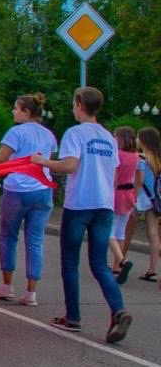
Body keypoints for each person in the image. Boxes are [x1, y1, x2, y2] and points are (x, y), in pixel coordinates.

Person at [32, 87, 132, 343]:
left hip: (80, 204)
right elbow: (115, 172)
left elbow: (70, 165)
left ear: (79, 104)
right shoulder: (109, 138)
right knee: (99, 264)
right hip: (104, 204)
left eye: (73, 103)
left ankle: (73, 316)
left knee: (70, 262)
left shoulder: (75, 134)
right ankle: (118, 310)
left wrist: (43, 162)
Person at [0, 94, 57, 306]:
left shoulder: (16, 132)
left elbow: (1, 159)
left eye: (16, 108)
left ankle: (7, 285)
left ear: (26, 111)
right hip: (43, 190)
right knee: (35, 241)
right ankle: (31, 292)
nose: (13, 111)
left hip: (17, 189)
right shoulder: (48, 134)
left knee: (7, 236)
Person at [126, 127, 161, 283]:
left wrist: (132, 196)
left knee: (127, 231)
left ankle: (119, 263)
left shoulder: (140, 158)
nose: (136, 140)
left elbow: (137, 181)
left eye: (139, 137)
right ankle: (152, 270)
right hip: (154, 200)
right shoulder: (157, 160)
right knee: (153, 234)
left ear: (144, 140)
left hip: (139, 198)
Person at [108, 126, 141, 284]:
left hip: (117, 193)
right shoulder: (135, 155)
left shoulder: (117, 155)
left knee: (109, 231)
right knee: (121, 232)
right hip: (129, 194)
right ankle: (117, 267)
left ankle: (121, 261)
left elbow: (114, 178)